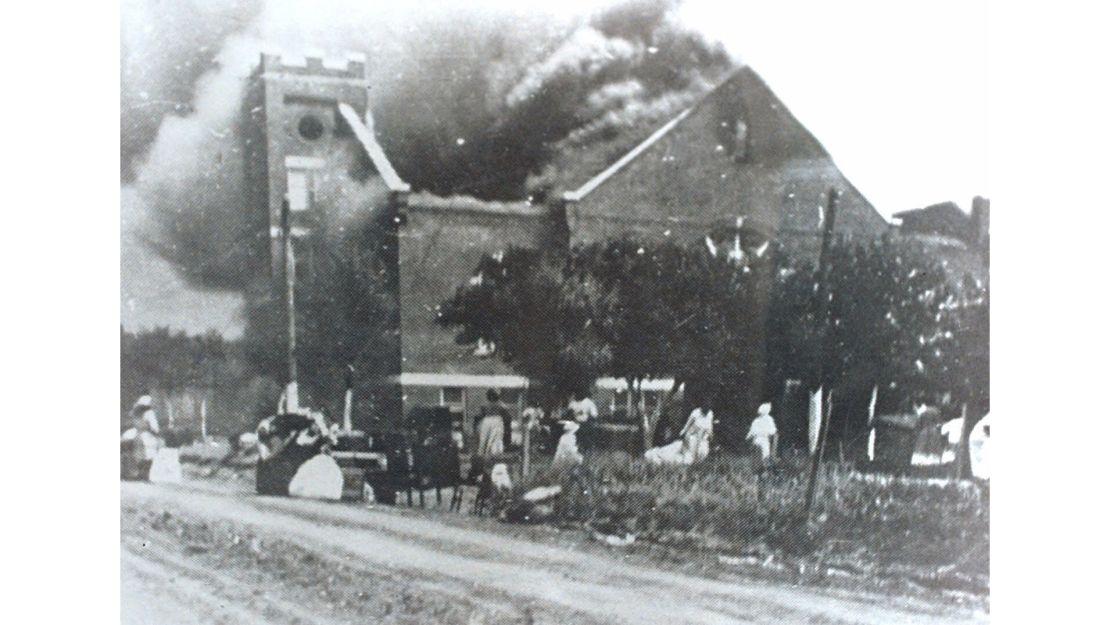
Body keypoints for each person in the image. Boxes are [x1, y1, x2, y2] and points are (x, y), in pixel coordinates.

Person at [475, 389, 508, 460]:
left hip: (491, 419)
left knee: (491, 438)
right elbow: (505, 412)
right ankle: (485, 455)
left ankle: (487, 454)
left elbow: (481, 413)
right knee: (490, 437)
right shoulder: (499, 404)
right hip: (493, 420)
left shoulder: (495, 404)